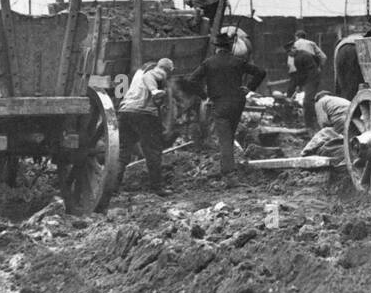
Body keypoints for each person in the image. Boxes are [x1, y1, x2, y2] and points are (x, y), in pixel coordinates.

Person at [187, 32, 266, 177]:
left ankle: (229, 174)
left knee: (224, 139)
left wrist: (205, 96)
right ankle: (230, 168)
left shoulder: (209, 63)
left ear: (216, 48)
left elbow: (191, 80)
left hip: (219, 103)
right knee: (230, 135)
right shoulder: (238, 61)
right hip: (237, 103)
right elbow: (261, 72)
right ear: (230, 48)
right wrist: (249, 88)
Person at [118, 57, 174, 195]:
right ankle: (157, 187)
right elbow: (149, 77)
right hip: (144, 114)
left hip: (125, 112)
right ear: (168, 70)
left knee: (123, 151)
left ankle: (112, 186)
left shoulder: (136, 77)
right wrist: (154, 90)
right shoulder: (156, 73)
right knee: (153, 151)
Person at [285, 34, 326, 131]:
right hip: (312, 77)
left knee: (307, 101)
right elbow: (317, 59)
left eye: (289, 52)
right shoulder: (302, 53)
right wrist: (300, 85)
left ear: (293, 49)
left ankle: (310, 124)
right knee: (309, 100)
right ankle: (313, 122)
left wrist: (299, 85)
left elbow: (301, 74)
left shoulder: (299, 58)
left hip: (312, 78)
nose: (289, 55)